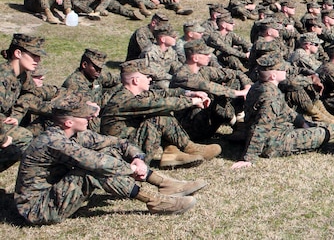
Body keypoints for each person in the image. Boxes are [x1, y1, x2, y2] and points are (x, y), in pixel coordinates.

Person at [15, 93, 205, 225]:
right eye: (85, 115)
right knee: (91, 171)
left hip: (53, 194)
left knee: (109, 152)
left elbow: (117, 143)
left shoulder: (72, 135)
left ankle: (164, 183)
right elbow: (96, 163)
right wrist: (131, 169)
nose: (90, 118)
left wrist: (137, 158)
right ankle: (156, 201)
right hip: (38, 209)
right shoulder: (54, 142)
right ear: (69, 122)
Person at [231, 54, 334, 169]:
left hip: (279, 130)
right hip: (273, 142)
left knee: (317, 126)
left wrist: (302, 123)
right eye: (282, 69)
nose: (286, 71)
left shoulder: (260, 86)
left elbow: (286, 111)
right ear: (273, 76)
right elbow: (261, 126)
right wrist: (249, 158)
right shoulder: (270, 95)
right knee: (322, 133)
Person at [2, 34, 46, 175]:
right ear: (18, 53)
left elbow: (30, 93)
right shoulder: (3, 76)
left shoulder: (23, 75)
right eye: (34, 55)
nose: (38, 60)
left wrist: (16, 115)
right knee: (22, 137)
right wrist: (2, 138)